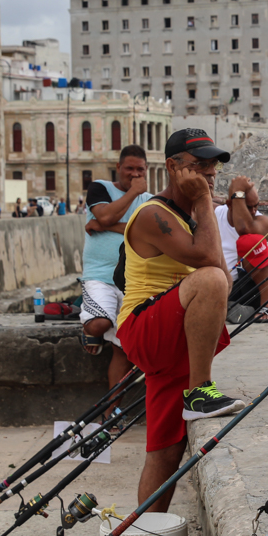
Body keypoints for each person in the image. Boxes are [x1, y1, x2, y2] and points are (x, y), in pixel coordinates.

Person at [116, 128, 244, 514]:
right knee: (209, 279)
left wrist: (202, 202)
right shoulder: (153, 214)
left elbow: (223, 275)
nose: (208, 175)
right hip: (145, 327)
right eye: (198, 166)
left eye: (212, 168)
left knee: (165, 451)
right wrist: (205, 201)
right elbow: (210, 268)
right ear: (173, 167)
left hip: (173, 330)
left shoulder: (188, 216)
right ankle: (200, 392)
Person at [80, 145, 152, 400]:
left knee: (122, 350)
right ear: (119, 168)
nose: (134, 174)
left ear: (147, 171)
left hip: (132, 282)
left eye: (140, 170)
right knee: (100, 324)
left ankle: (112, 413)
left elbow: (145, 233)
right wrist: (132, 193)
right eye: (129, 168)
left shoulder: (150, 200)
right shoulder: (100, 188)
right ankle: (87, 329)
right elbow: (107, 215)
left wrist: (103, 226)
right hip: (99, 275)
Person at [215, 176, 268, 324]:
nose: (253, 211)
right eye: (248, 207)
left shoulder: (262, 222)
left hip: (258, 287)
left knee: (250, 240)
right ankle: (232, 307)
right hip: (230, 286)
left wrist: (238, 191)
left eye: (256, 206)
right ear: (230, 204)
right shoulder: (216, 214)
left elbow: (244, 229)